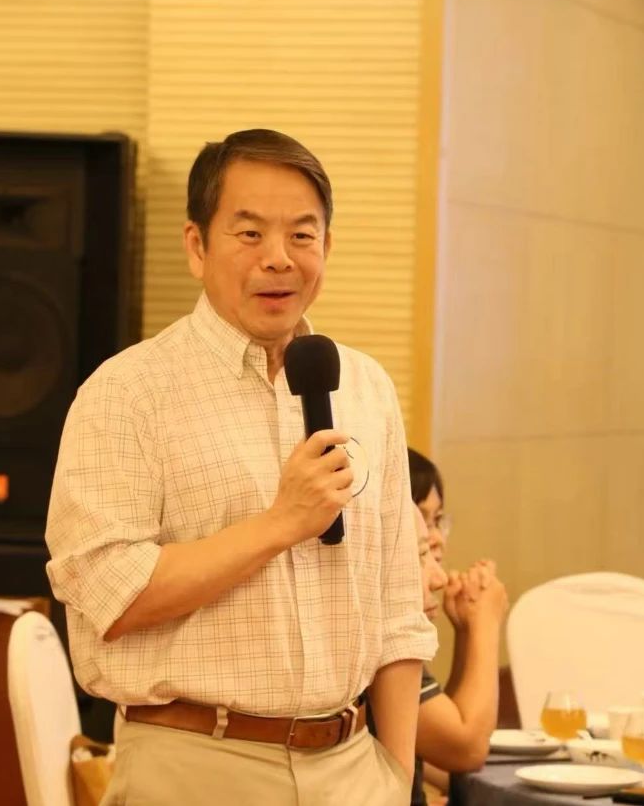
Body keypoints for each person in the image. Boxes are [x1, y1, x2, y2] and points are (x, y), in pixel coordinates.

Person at [45, 128, 436, 805]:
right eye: (250, 234)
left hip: (353, 769)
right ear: (197, 246)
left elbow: (399, 606)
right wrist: (281, 523)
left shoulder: (366, 388)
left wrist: (396, 778)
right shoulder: (127, 392)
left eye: (302, 235)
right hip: (194, 764)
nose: (278, 258)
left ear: (327, 247)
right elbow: (110, 593)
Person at [407, 448, 508, 805]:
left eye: (437, 520)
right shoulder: (384, 626)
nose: (436, 537)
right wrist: (485, 623)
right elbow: (466, 749)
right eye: (420, 518)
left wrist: (465, 629)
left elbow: (439, 749)